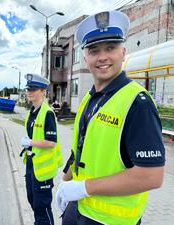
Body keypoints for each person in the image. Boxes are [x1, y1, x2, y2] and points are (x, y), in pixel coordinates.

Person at [56, 10, 165, 225]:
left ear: (123, 52)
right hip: (78, 209)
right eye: (94, 50)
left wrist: (83, 188)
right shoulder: (89, 98)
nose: (103, 57)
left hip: (110, 220)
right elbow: (81, 148)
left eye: (111, 48)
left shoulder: (137, 103)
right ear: (85, 56)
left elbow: (151, 176)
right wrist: (64, 181)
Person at [20, 73, 63, 225]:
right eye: (28, 89)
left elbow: (51, 142)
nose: (30, 92)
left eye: (34, 89)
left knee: (42, 207)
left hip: (43, 169)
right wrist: (29, 144)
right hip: (32, 164)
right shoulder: (32, 111)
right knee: (32, 200)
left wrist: (30, 142)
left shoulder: (48, 113)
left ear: (43, 91)